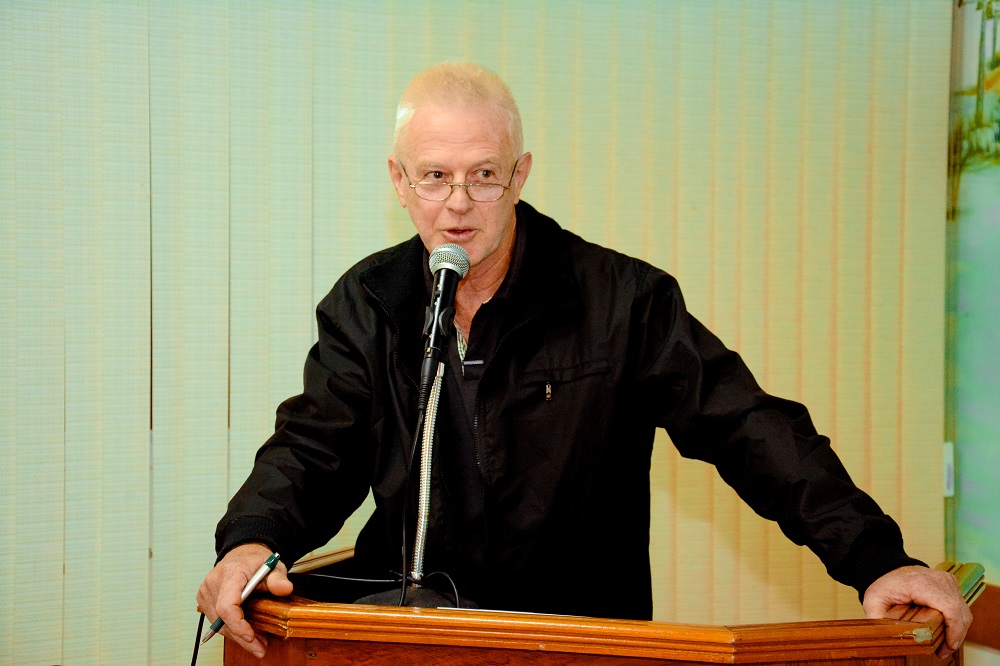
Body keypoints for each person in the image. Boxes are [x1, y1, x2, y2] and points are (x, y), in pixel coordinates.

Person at [197, 62, 973, 660]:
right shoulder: (369, 301)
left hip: (579, 642)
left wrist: (876, 558)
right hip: (413, 639)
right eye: (434, 176)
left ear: (520, 176)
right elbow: (315, 446)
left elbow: (748, 428)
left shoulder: (621, 300)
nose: (458, 203)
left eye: (484, 175)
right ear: (399, 181)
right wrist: (252, 538)